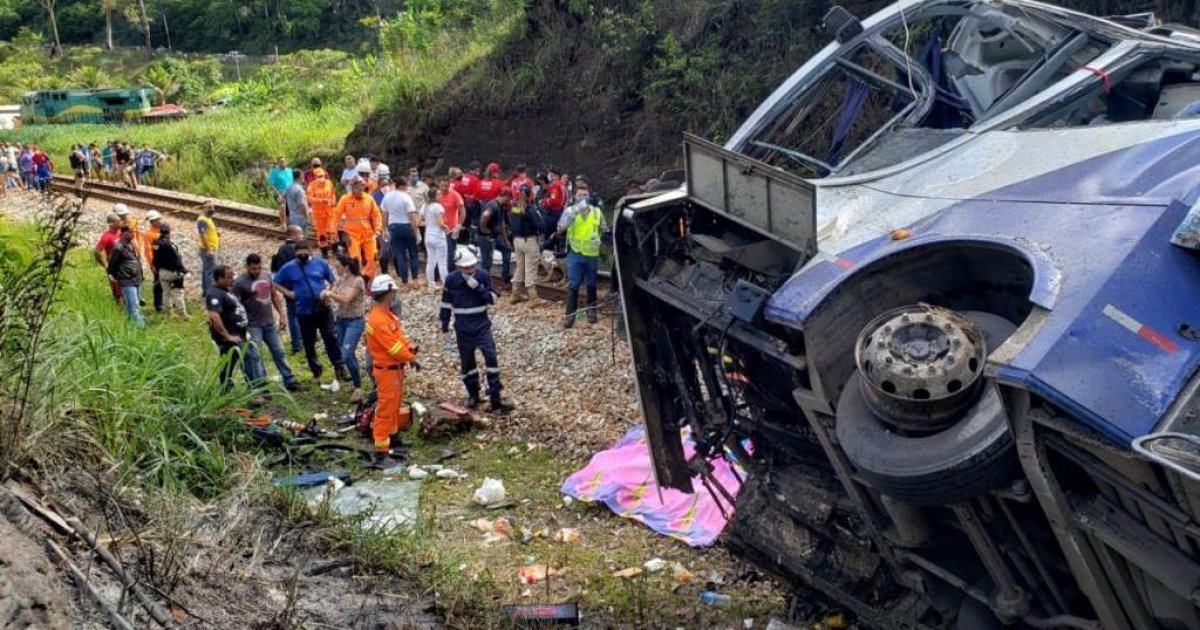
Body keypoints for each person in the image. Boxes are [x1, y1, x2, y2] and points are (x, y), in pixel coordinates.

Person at [440, 248, 514, 412]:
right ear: (459, 267)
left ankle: (495, 396)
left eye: (472, 266)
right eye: (466, 268)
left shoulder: (482, 275)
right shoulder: (451, 280)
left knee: (491, 357)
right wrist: (444, 327)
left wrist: (478, 288)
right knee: (467, 363)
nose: (470, 270)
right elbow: (445, 304)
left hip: (481, 326)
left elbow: (493, 298)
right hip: (463, 328)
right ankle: (473, 395)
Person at [272, 240, 347, 384]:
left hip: (323, 308)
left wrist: (329, 292)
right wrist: (288, 293)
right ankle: (316, 371)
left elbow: (333, 281)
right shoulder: (289, 268)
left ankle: (339, 366)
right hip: (303, 311)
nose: (302, 257)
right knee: (308, 342)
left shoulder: (321, 264)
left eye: (304, 254)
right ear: (295, 254)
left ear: (310, 251)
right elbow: (275, 281)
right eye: (299, 255)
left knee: (330, 336)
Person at [364, 274, 419, 466]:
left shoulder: (387, 315)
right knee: (385, 410)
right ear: (387, 293)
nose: (394, 294)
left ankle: (394, 438)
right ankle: (381, 451)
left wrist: (409, 349)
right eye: (393, 291)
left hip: (394, 369)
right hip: (387, 369)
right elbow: (393, 348)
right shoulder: (378, 320)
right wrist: (410, 357)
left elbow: (399, 340)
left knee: (394, 406)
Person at [234, 253, 298, 392]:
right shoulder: (239, 283)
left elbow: (274, 295)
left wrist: (281, 315)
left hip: (269, 322)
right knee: (256, 356)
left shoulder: (266, 276)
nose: (256, 271)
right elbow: (236, 306)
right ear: (246, 267)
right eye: (253, 269)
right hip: (252, 325)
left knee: (279, 351)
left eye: (258, 268)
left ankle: (289, 379)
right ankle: (262, 384)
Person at [558, 182, 607, 328]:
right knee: (574, 285)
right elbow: (560, 228)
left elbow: (604, 229)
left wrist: (600, 241)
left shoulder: (597, 212)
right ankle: (570, 317)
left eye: (585, 195)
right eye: (580, 195)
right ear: (575, 196)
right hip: (575, 252)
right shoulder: (570, 211)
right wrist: (574, 212)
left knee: (591, 284)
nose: (583, 198)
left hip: (592, 254)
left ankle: (591, 313)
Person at [323, 255, 370, 401]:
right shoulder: (340, 280)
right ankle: (356, 382)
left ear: (346, 267)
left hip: (354, 321)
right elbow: (333, 290)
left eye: (338, 267)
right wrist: (326, 294)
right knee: (347, 353)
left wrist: (330, 294)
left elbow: (346, 299)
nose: (336, 270)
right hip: (341, 320)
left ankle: (358, 387)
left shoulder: (357, 280)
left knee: (346, 354)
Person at [206, 265, 250, 392]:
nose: (233, 279)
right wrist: (227, 336)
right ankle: (225, 388)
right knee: (228, 363)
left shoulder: (226, 290)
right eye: (229, 277)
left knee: (237, 361)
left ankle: (231, 385)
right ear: (219, 278)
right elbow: (214, 316)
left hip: (239, 334)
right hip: (229, 338)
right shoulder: (214, 293)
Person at [333, 177, 383, 276]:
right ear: (352, 188)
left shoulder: (369, 198)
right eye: (357, 188)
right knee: (355, 258)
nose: (360, 191)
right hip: (351, 233)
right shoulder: (345, 199)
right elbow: (336, 215)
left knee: (373, 257)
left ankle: (367, 277)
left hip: (368, 233)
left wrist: (377, 229)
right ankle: (357, 276)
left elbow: (376, 215)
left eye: (362, 188)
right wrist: (334, 231)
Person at [272, 225, 305, 354]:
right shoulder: (298, 249)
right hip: (302, 288)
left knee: (293, 316)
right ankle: (303, 341)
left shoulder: (282, 249)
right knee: (301, 315)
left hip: (289, 289)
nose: (302, 236)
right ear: (294, 235)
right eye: (300, 234)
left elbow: (277, 271)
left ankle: (296, 344)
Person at [382, 178, 421, 287]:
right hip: (406, 226)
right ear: (402, 186)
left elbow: (384, 214)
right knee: (413, 254)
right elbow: (411, 215)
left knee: (400, 256)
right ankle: (415, 280)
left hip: (393, 227)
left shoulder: (387, 196)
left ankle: (404, 283)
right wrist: (416, 230)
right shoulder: (405, 197)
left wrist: (384, 229)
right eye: (406, 185)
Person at [508, 184, 543, 303]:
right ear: (530, 195)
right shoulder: (530, 208)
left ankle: (515, 293)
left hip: (517, 241)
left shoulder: (514, 207)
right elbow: (540, 225)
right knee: (531, 269)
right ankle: (533, 297)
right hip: (529, 241)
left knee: (520, 267)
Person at [107, 226, 145, 328]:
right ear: (123, 233)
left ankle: (130, 326)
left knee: (133, 306)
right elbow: (112, 266)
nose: (133, 234)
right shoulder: (118, 248)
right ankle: (141, 328)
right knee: (134, 306)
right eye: (130, 232)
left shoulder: (132, 245)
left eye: (133, 232)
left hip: (136, 279)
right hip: (127, 281)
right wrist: (118, 277)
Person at [476, 187, 512, 284]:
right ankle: (485, 283)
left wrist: (506, 240)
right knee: (487, 261)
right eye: (509, 199)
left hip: (494, 235)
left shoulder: (500, 206)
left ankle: (506, 275)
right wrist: (484, 229)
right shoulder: (493, 205)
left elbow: (502, 223)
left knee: (507, 249)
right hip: (486, 237)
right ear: (506, 197)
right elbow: (485, 215)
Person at [152, 224, 188, 319]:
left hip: (162, 272)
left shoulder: (155, 243)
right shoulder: (169, 244)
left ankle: (169, 313)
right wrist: (183, 270)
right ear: (169, 232)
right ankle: (182, 314)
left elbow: (155, 259)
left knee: (166, 293)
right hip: (173, 272)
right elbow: (175, 259)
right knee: (178, 292)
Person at [306, 167, 338, 256]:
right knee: (322, 234)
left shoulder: (329, 183)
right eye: (319, 176)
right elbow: (310, 198)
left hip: (330, 212)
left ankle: (335, 250)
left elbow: (333, 194)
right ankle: (325, 253)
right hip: (319, 215)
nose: (321, 177)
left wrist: (333, 201)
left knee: (333, 231)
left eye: (322, 175)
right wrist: (322, 201)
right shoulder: (311, 186)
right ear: (315, 177)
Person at [423, 188, 449, 292]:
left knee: (431, 262)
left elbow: (419, 221)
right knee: (442, 262)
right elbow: (440, 223)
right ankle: (447, 287)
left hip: (428, 236)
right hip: (438, 236)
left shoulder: (425, 206)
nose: (440, 196)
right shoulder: (438, 207)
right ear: (434, 196)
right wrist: (446, 228)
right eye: (438, 194)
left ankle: (431, 286)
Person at [94, 214, 124, 304]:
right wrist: (105, 265)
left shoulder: (120, 233)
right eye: (118, 222)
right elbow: (97, 251)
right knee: (118, 294)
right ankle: (120, 313)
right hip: (115, 268)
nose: (121, 223)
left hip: (123, 266)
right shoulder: (107, 237)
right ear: (112, 224)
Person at [437, 176, 464, 272]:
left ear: (449, 186)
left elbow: (463, 212)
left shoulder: (455, 195)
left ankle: (450, 273)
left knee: (450, 252)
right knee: (438, 251)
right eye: (442, 186)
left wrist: (458, 226)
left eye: (446, 186)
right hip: (438, 228)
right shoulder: (437, 195)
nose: (443, 188)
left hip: (451, 229)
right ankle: (438, 272)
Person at [196, 200, 219, 297]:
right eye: (209, 207)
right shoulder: (202, 220)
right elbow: (203, 235)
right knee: (210, 271)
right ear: (204, 208)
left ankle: (205, 290)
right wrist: (209, 249)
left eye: (213, 207)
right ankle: (210, 292)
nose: (212, 210)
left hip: (209, 247)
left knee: (206, 269)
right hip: (207, 249)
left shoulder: (208, 218)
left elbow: (208, 233)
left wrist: (216, 234)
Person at [540, 167, 567, 250]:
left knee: (549, 236)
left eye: (551, 174)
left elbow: (554, 200)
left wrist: (544, 202)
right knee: (557, 234)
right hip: (560, 212)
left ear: (555, 175)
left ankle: (549, 255)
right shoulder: (562, 185)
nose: (549, 175)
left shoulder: (555, 185)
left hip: (553, 213)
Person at [144, 210, 164, 313]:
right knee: (158, 284)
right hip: (157, 263)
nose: (159, 221)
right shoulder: (149, 235)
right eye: (157, 220)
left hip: (165, 261)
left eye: (159, 219)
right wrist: (152, 265)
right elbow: (148, 251)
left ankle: (166, 302)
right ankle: (158, 305)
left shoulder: (162, 231)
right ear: (152, 222)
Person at [280, 168, 311, 232]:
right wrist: (307, 218)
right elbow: (302, 205)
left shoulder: (288, 187)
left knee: (295, 237)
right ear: (300, 176)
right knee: (301, 238)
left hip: (292, 217)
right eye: (303, 176)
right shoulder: (299, 190)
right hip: (301, 219)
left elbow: (280, 199)